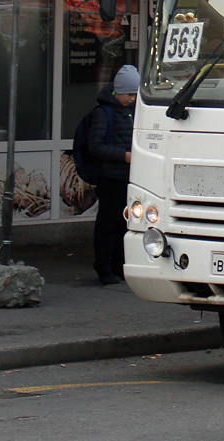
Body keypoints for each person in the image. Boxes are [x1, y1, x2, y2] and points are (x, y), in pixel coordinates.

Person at [89, 64, 138, 285]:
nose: (132, 98)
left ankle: (119, 264)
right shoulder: (104, 113)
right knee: (108, 224)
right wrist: (123, 156)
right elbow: (95, 146)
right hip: (110, 177)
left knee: (124, 224)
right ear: (118, 91)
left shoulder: (132, 112)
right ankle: (104, 266)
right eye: (129, 94)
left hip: (129, 177)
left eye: (135, 94)